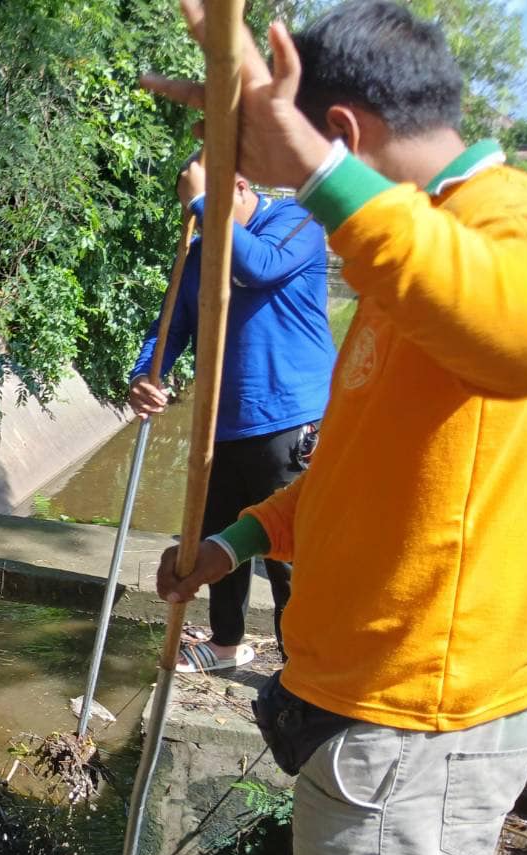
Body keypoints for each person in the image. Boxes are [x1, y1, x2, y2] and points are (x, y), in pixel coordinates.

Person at [143, 2, 527, 855]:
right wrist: (234, 542)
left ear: (338, 127)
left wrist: (312, 172)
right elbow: (356, 474)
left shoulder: (509, 225)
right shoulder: (403, 255)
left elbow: (523, 338)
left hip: (416, 717)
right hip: (369, 704)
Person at [128, 157, 332, 673]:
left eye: (206, 204)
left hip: (290, 421)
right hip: (220, 425)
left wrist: (202, 203)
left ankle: (300, 664)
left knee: (288, 553)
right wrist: (145, 374)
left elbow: (259, 266)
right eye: (191, 209)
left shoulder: (296, 223)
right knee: (215, 538)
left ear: (239, 186)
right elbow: (170, 325)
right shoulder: (199, 252)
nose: (195, 220)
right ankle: (225, 643)